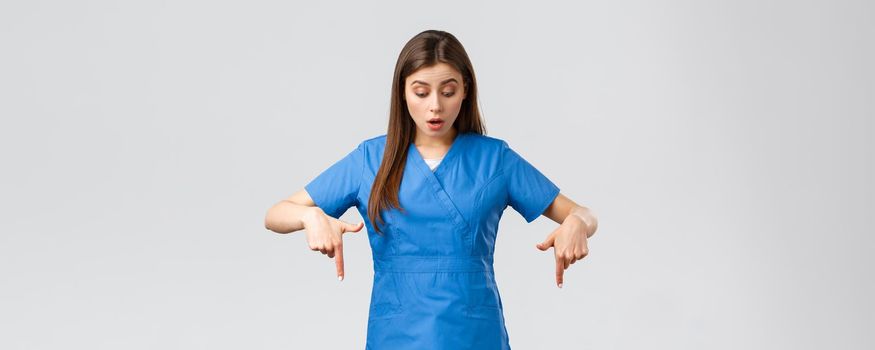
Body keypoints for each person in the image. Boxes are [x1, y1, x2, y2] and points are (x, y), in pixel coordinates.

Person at [264, 29, 599, 350]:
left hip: (474, 335)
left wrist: (576, 223)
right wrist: (310, 217)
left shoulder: (494, 159)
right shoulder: (370, 159)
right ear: (402, 92)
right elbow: (275, 214)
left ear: (465, 90)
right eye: (421, 93)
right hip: (397, 335)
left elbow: (582, 213)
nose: (435, 106)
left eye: (448, 91)